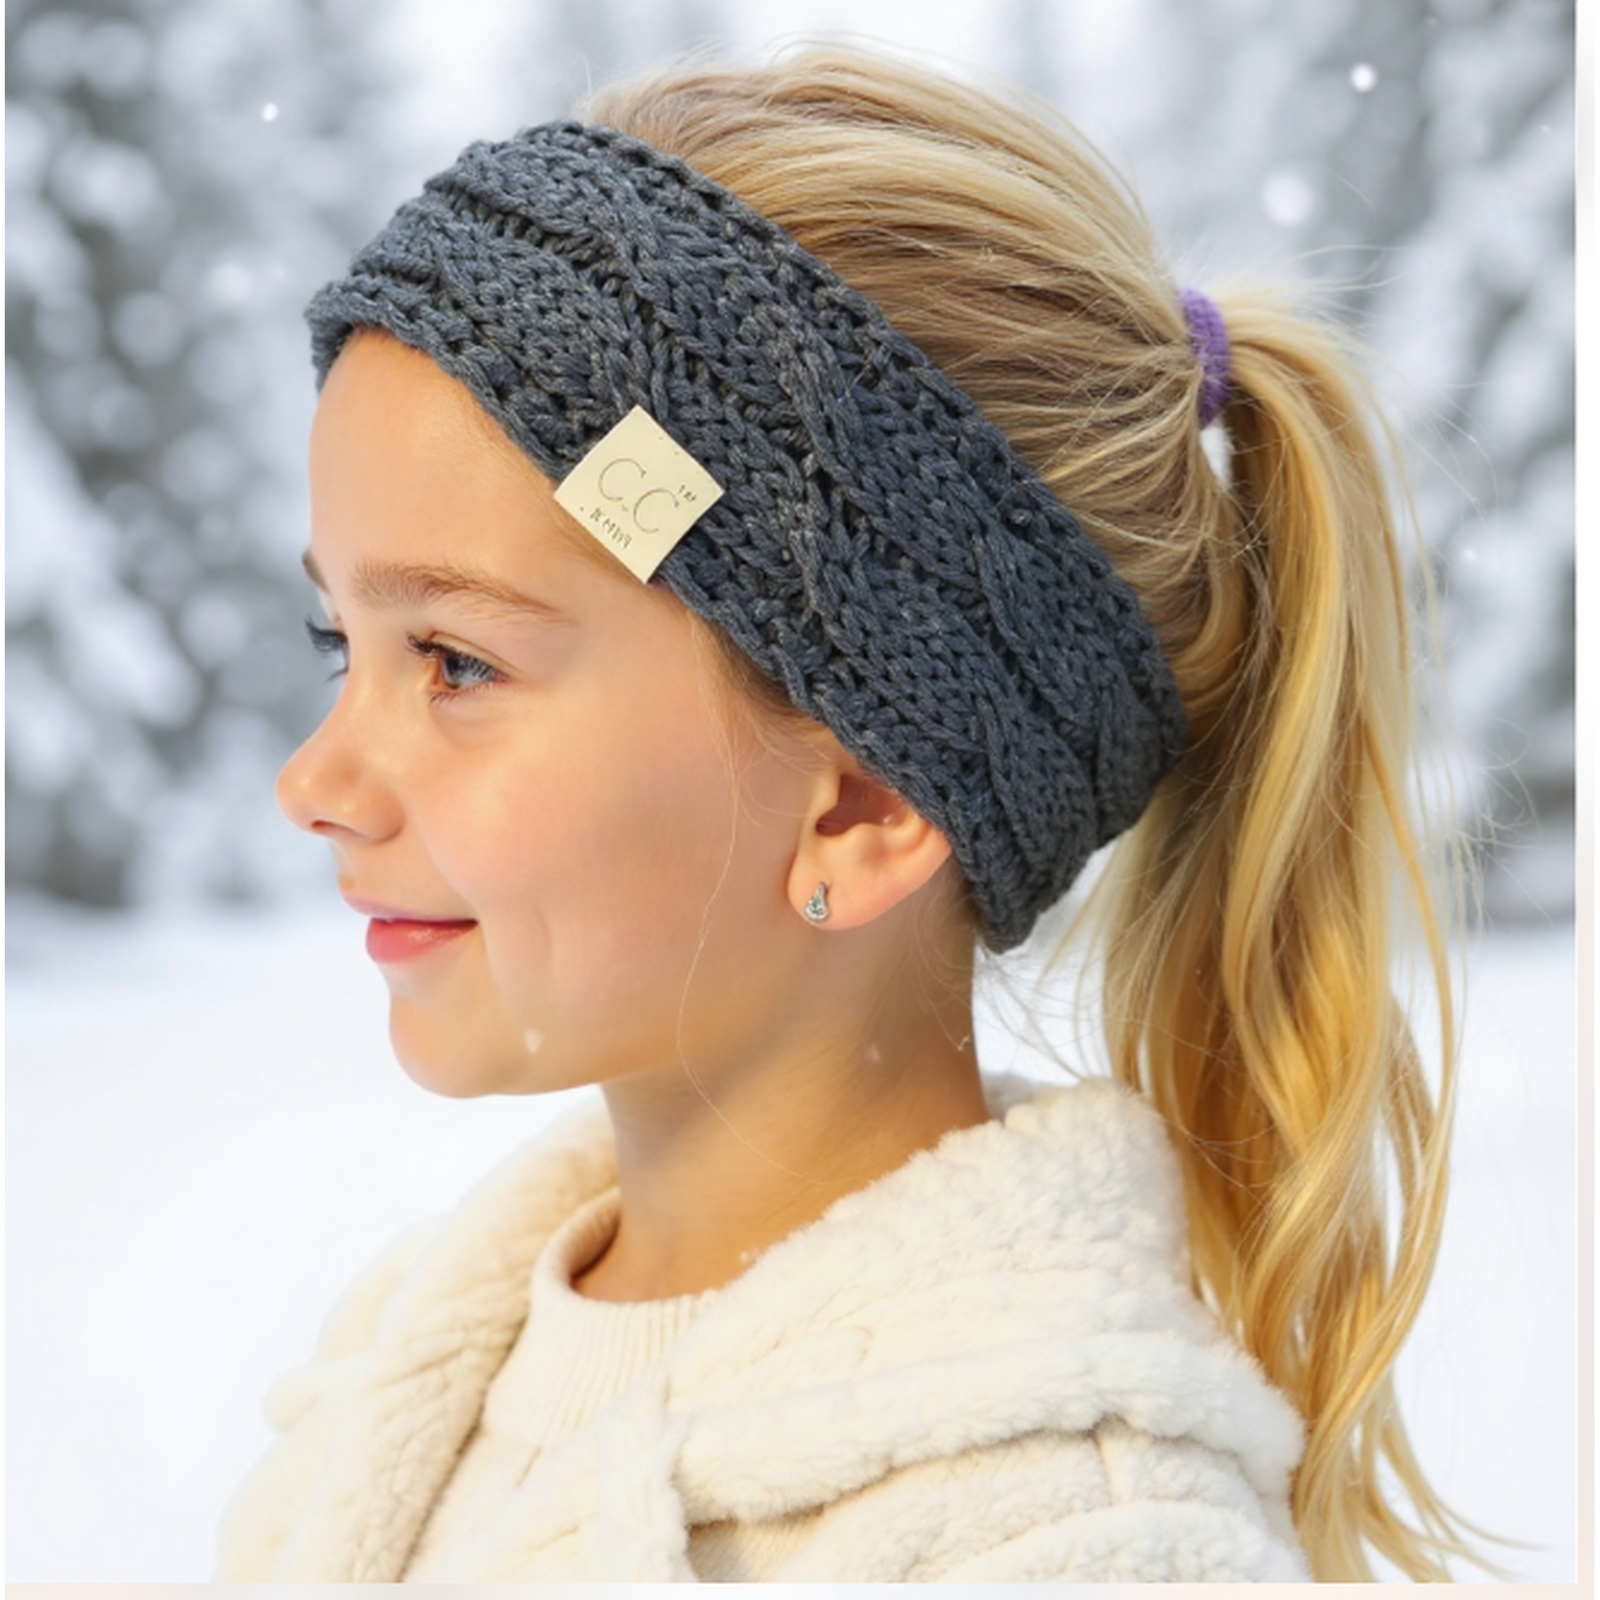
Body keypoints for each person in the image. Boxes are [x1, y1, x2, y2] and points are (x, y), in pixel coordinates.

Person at [214, 46, 1477, 1582]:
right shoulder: (414, 1356)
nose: (316, 784)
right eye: (336, 645)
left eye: (458, 663)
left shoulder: (1079, 1547)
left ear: (859, 806)